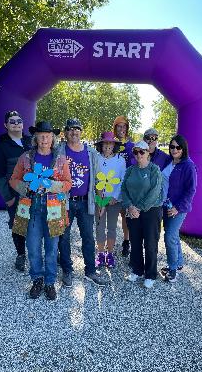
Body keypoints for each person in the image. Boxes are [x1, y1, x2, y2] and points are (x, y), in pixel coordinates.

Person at [10, 121, 72, 300]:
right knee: (33, 247)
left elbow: (68, 184)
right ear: (35, 137)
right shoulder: (25, 158)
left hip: (53, 210)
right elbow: (13, 179)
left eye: (48, 135)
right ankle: (37, 279)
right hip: (31, 209)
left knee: (52, 249)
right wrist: (25, 186)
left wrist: (52, 185)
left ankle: (50, 282)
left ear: (53, 138)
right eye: (41, 135)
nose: (44, 138)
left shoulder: (60, 160)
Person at [58, 118, 106, 287]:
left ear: (81, 131)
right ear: (65, 132)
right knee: (63, 237)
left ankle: (90, 271)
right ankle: (67, 270)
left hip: (86, 202)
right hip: (65, 202)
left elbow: (99, 181)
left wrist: (100, 203)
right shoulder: (59, 150)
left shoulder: (91, 153)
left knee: (88, 237)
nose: (74, 132)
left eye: (77, 128)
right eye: (70, 129)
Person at [0, 111, 31, 271]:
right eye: (12, 121)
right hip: (15, 194)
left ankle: (49, 253)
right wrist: (8, 198)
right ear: (6, 125)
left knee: (41, 222)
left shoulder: (31, 141)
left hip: (35, 192)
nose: (16, 123)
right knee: (19, 225)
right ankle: (21, 255)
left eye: (19, 121)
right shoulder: (2, 147)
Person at [121, 141, 163, 289]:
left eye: (142, 152)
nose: (139, 155)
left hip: (151, 211)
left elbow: (155, 192)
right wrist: (130, 207)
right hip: (133, 211)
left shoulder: (154, 170)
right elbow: (123, 190)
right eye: (136, 152)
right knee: (135, 241)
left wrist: (138, 208)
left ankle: (150, 274)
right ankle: (137, 270)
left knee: (151, 244)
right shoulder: (130, 170)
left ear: (148, 153)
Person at [160, 134, 197, 283]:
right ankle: (179, 262)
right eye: (172, 146)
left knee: (169, 236)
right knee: (173, 235)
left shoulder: (188, 165)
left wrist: (178, 207)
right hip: (165, 205)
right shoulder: (169, 162)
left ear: (183, 149)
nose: (174, 149)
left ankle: (173, 269)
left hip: (177, 209)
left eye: (177, 147)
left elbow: (191, 190)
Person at [94, 131, 126, 268]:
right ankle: (100, 254)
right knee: (100, 227)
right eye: (105, 143)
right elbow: (94, 178)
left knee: (112, 228)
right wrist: (99, 195)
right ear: (101, 145)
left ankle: (110, 254)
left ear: (114, 145)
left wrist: (115, 196)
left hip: (114, 201)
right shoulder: (96, 158)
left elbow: (123, 180)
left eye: (110, 143)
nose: (107, 145)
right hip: (99, 200)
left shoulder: (120, 160)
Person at [112, 116, 134, 257]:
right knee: (111, 217)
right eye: (119, 126)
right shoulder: (110, 143)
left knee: (126, 217)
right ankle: (109, 245)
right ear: (115, 128)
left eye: (124, 126)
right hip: (112, 186)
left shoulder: (131, 146)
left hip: (126, 187)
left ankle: (126, 242)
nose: (121, 129)